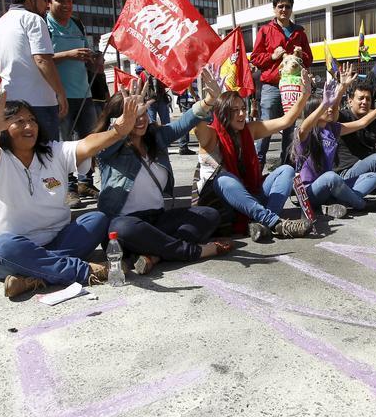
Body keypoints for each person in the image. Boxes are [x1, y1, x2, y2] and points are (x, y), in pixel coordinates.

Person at [0, 84, 140, 298]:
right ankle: (85, 270)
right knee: (4, 247)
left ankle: (33, 276)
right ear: (3, 128)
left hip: (57, 241)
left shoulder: (53, 152)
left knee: (96, 219)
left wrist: (118, 131)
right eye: (19, 121)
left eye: (31, 119)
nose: (29, 125)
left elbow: (86, 145)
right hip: (7, 252)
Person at [96, 76, 231, 275]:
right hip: (124, 225)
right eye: (134, 113)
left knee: (209, 215)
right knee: (123, 228)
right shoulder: (110, 149)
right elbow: (103, 144)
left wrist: (209, 100)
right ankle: (191, 251)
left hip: (157, 220)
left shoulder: (156, 137)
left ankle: (154, 255)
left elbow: (183, 123)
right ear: (120, 117)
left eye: (143, 112)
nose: (141, 119)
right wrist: (124, 123)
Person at [194, 69, 313, 242]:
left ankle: (264, 223)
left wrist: (305, 95)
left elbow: (285, 121)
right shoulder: (212, 135)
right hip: (222, 203)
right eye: (235, 110)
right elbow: (197, 127)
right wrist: (209, 101)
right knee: (222, 179)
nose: (242, 114)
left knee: (286, 169)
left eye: (243, 108)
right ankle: (276, 223)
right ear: (222, 112)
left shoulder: (249, 129)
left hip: (250, 194)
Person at [292, 63, 376, 219]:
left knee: (373, 177)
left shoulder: (333, 128)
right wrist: (324, 103)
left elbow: (362, 123)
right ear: (315, 112)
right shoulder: (306, 133)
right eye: (326, 107)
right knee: (331, 177)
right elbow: (304, 128)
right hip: (310, 192)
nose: (330, 109)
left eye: (330, 106)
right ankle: (361, 204)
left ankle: (338, 203)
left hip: (331, 189)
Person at [0, 0, 67, 141]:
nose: (46, 3)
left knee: (18, 157)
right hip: (39, 103)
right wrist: (60, 93)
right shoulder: (33, 20)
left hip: (9, 104)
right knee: (46, 155)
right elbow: (42, 60)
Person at [45, 0, 99, 203]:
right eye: (60, 0)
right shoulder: (43, 25)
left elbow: (86, 58)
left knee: (89, 141)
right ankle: (68, 187)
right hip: (59, 96)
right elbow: (41, 59)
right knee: (63, 144)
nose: (67, 5)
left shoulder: (77, 24)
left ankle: (86, 182)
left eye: (69, 0)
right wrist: (68, 54)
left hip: (84, 94)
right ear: (48, 3)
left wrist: (94, 59)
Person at [250, 0, 313, 167]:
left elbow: (309, 60)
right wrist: (272, 56)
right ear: (274, 9)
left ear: (292, 9)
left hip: (293, 87)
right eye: (280, 6)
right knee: (266, 128)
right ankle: (257, 167)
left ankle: (287, 167)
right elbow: (255, 58)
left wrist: (302, 54)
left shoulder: (299, 32)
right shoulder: (265, 30)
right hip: (271, 86)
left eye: (287, 6)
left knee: (290, 128)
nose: (284, 9)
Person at [175, 79, 199, 155]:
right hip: (189, 100)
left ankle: (183, 146)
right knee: (187, 123)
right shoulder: (190, 72)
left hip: (185, 100)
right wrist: (195, 96)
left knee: (187, 123)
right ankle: (183, 146)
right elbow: (189, 85)